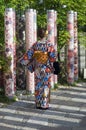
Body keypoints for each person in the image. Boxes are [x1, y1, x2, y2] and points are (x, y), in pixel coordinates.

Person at [19, 27, 56, 109]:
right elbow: (53, 57)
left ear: (38, 35)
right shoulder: (49, 44)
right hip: (46, 68)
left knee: (38, 85)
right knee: (45, 85)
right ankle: (44, 104)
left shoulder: (35, 45)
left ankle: (38, 104)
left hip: (37, 68)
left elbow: (29, 55)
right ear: (46, 34)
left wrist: (24, 61)